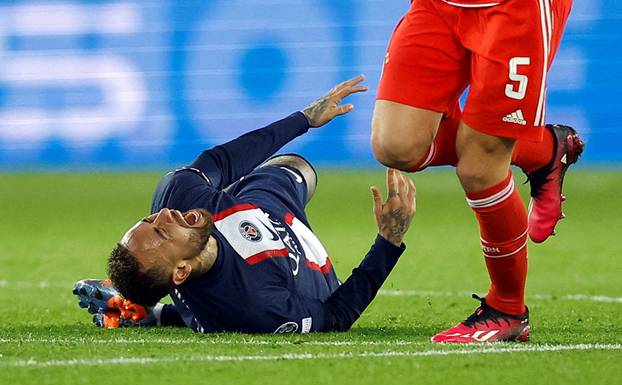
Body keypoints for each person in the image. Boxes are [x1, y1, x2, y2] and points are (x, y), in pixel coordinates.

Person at [74, 76, 418, 334]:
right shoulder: (254, 305)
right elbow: (338, 315)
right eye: (163, 232)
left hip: (264, 198)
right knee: (216, 318)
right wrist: (388, 241)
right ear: (180, 271)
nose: (165, 214)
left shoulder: (176, 195)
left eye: (150, 218)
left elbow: (223, 160)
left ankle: (147, 308)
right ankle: (152, 310)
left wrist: (305, 119)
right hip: (311, 268)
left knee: (295, 166)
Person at [370, 0, 584, 342]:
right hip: (438, 5)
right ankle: (544, 150)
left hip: (514, 8)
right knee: (396, 145)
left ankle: (507, 308)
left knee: (479, 167)